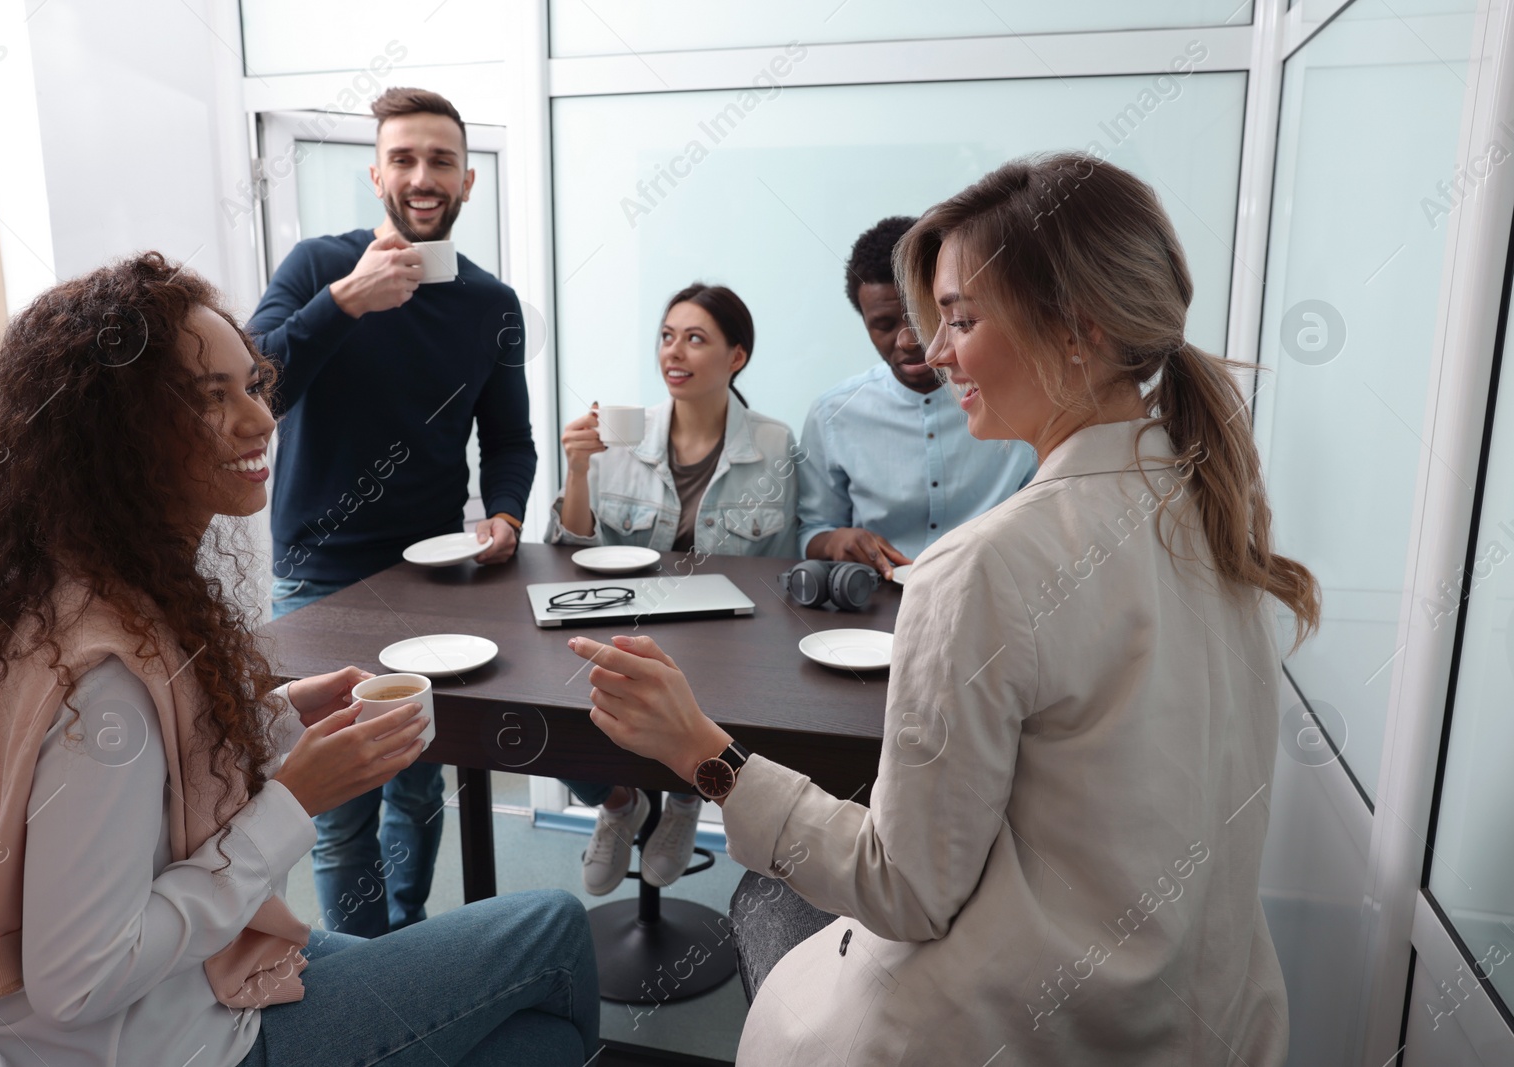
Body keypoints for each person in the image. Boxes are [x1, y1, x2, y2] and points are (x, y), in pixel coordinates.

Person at [565, 154, 1317, 1065]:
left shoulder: (982, 566)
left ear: (1076, 330)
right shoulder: (1213, 506)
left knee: (762, 901)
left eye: (960, 317)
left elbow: (905, 890)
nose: (938, 349)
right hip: (1208, 1016)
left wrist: (701, 752)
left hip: (1012, 1028)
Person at [0, 253, 597, 1066]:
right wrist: (295, 800)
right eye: (212, 398)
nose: (262, 419)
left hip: (182, 997)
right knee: (554, 927)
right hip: (175, 1043)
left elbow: (158, 783)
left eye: (252, 384)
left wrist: (277, 717)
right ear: (119, 435)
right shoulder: (104, 688)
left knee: (535, 1043)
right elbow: (80, 979)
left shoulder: (100, 592)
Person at [248, 87, 537, 938]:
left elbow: (510, 443)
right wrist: (345, 301)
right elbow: (257, 388)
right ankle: (360, 970)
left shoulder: (493, 305)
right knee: (335, 811)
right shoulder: (314, 268)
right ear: (376, 173)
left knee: (417, 784)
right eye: (403, 158)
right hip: (318, 576)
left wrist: (508, 516)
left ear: (467, 181)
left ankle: (402, 943)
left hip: (432, 581)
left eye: (440, 160)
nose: (421, 175)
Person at [547, 282, 799, 896]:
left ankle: (689, 794)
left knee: (720, 701)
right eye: (666, 337)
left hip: (729, 640)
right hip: (630, 623)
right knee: (547, 705)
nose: (673, 353)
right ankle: (617, 801)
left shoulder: (772, 445)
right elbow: (567, 554)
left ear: (736, 357)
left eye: (695, 339)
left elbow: (779, 566)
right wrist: (578, 468)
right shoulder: (619, 437)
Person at [797, 215, 1036, 578]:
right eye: (883, 324)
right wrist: (835, 541)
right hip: (876, 600)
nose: (908, 340)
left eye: (919, 316)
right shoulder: (833, 414)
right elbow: (812, 529)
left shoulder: (1014, 401)